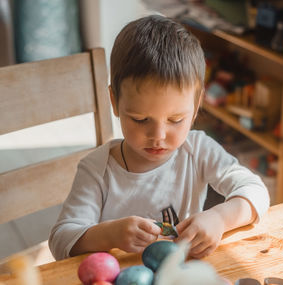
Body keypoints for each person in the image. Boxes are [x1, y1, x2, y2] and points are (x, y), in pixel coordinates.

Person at [49, 14, 270, 261]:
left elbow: (256, 191)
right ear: (114, 102)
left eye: (175, 120)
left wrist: (220, 217)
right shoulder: (97, 171)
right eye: (140, 119)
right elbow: (60, 240)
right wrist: (109, 235)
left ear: (196, 107)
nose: (158, 136)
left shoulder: (197, 150)